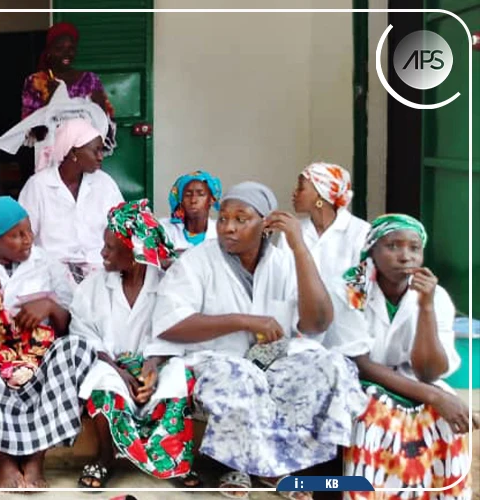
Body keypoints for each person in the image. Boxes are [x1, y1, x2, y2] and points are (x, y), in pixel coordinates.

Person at [152, 182, 367, 500]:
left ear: (265, 225)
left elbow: (318, 322)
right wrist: (244, 320)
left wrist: (299, 248)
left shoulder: (282, 261)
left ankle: (318, 469)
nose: (228, 228)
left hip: (272, 362)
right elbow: (170, 325)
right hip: (216, 364)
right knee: (243, 375)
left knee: (332, 365)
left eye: (241, 219)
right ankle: (268, 470)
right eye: (224, 218)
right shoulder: (197, 262)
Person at [0, 196, 96, 490]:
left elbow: (70, 324)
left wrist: (50, 308)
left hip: (38, 362)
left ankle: (35, 459)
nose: (28, 240)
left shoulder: (48, 264)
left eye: (29, 231)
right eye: (17, 235)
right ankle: (3, 460)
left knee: (78, 348)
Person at [324, 215, 474, 500]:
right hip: (352, 380)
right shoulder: (349, 289)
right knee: (375, 414)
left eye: (414, 248)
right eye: (393, 246)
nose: (405, 256)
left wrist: (426, 307)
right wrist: (434, 397)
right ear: (372, 250)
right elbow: (361, 364)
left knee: (445, 418)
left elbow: (430, 372)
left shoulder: (435, 295)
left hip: (410, 378)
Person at [71, 200, 199, 489]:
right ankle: (106, 456)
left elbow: (174, 331)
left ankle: (175, 458)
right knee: (101, 381)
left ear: (134, 252)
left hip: (154, 365)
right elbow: (82, 331)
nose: (103, 253)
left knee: (180, 375)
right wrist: (119, 371)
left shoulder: (167, 285)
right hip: (112, 365)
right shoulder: (92, 286)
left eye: (111, 248)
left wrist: (151, 367)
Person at [18, 118, 124, 282]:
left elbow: (121, 229)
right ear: (73, 153)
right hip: (51, 272)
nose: (100, 157)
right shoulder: (38, 186)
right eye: (95, 151)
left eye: (101, 151)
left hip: (100, 269)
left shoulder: (105, 184)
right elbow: (24, 236)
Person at [290, 162, 369, 281]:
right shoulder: (293, 230)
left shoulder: (361, 232)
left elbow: (360, 284)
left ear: (321, 195)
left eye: (301, 188)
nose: (294, 193)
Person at [21, 22, 113, 120]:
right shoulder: (35, 82)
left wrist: (101, 107)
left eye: (71, 48)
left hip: (85, 135)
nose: (66, 54)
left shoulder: (90, 80)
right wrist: (51, 99)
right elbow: (28, 126)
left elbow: (107, 122)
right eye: (59, 48)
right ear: (49, 51)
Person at [162, 170, 221, 253]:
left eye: (201, 194)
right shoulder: (164, 230)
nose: (193, 200)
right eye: (188, 195)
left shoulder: (221, 232)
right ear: (180, 200)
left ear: (212, 199)